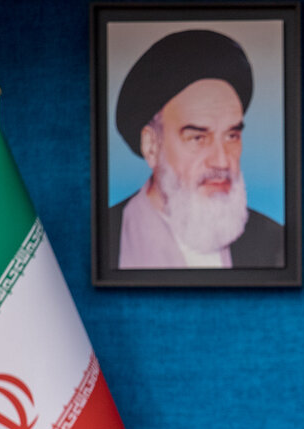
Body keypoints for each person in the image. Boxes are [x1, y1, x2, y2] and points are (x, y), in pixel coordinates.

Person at [111, 29, 284, 269]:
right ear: (151, 146)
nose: (221, 161)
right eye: (198, 138)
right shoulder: (108, 239)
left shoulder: (274, 243)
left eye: (231, 136)